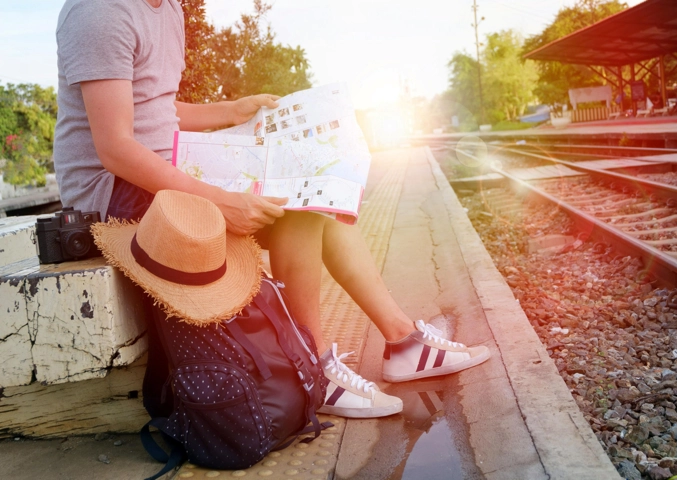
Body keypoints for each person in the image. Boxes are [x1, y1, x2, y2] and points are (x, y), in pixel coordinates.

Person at [54, 0, 489, 419]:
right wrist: (219, 200)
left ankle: (402, 341)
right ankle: (312, 368)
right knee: (294, 211)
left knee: (317, 195)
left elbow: (155, 108)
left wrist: (232, 112)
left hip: (167, 164)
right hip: (113, 192)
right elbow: (116, 148)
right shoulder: (100, 11)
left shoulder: (168, 8)